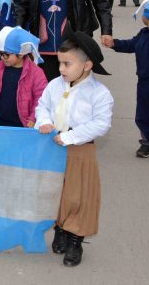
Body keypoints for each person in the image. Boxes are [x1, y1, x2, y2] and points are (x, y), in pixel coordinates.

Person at [35, 32, 114, 267]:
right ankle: (60, 229)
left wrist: (70, 136)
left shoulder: (99, 93)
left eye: (67, 64)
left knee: (78, 196)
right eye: (60, 62)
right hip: (53, 147)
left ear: (87, 65)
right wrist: (44, 122)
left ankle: (75, 239)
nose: (61, 68)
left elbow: (101, 124)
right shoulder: (54, 85)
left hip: (80, 150)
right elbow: (43, 106)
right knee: (55, 191)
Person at [106, 0, 149, 157]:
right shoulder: (143, 33)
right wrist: (115, 44)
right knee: (143, 115)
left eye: (145, 14)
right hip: (143, 83)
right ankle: (147, 143)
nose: (142, 17)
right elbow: (130, 45)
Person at [0, 26, 48, 127]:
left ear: (21, 54)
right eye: (0, 54)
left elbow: (41, 98)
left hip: (23, 126)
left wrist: (33, 118)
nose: (2, 58)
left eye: (6, 54)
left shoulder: (36, 73)